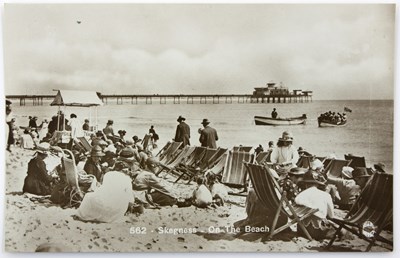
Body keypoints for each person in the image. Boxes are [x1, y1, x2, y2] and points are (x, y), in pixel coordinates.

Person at [295, 170, 335, 240]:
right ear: (318, 184)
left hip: (302, 230)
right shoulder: (326, 195)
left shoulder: (300, 195)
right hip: (318, 230)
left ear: (305, 184)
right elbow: (331, 216)